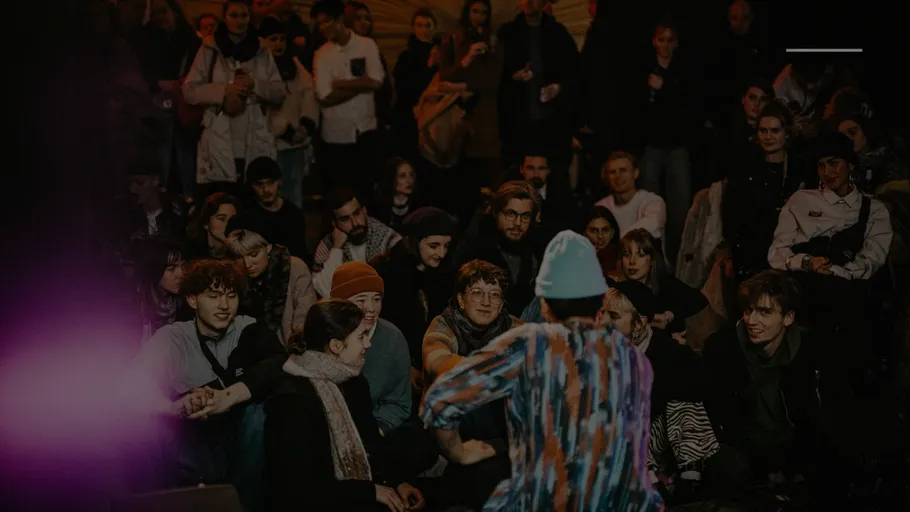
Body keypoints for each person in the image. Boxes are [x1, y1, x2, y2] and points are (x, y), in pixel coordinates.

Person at [422, 230, 663, 511]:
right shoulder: (445, 324)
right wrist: (460, 452)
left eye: (494, 295)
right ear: (462, 299)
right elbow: (441, 369)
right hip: (461, 426)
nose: (486, 302)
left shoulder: (518, 330)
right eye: (477, 294)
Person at [124, 259, 287, 511]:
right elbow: (134, 382)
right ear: (192, 300)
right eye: (213, 296)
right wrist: (174, 407)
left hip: (236, 443)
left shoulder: (248, 329)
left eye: (231, 296)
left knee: (259, 414)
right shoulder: (174, 337)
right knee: (146, 423)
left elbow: (277, 364)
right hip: (188, 441)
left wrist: (227, 397)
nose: (224, 305)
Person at [265, 299, 426, 511]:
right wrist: (370, 492)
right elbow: (297, 489)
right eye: (361, 337)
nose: (368, 344)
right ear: (336, 346)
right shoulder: (292, 400)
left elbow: (371, 444)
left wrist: (397, 483)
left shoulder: (355, 383)